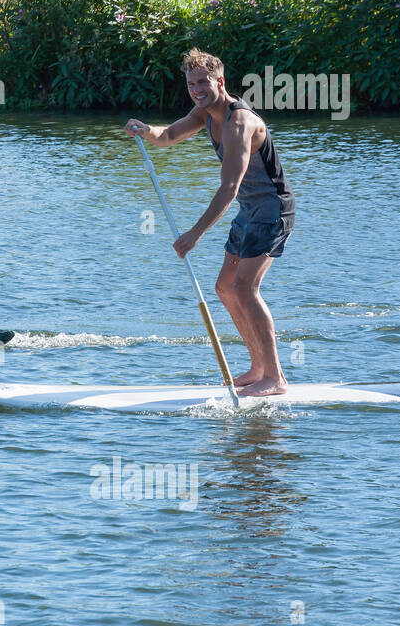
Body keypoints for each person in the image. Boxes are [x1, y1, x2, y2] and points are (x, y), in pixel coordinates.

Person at [125, 49, 295, 397]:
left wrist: (194, 234)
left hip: (272, 209)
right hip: (250, 210)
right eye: (191, 84)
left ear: (220, 81)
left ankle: (276, 378)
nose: (197, 90)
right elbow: (169, 135)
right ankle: (258, 367)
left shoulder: (239, 123)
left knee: (246, 289)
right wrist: (145, 130)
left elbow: (230, 187)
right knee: (224, 287)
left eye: (203, 82)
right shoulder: (204, 113)